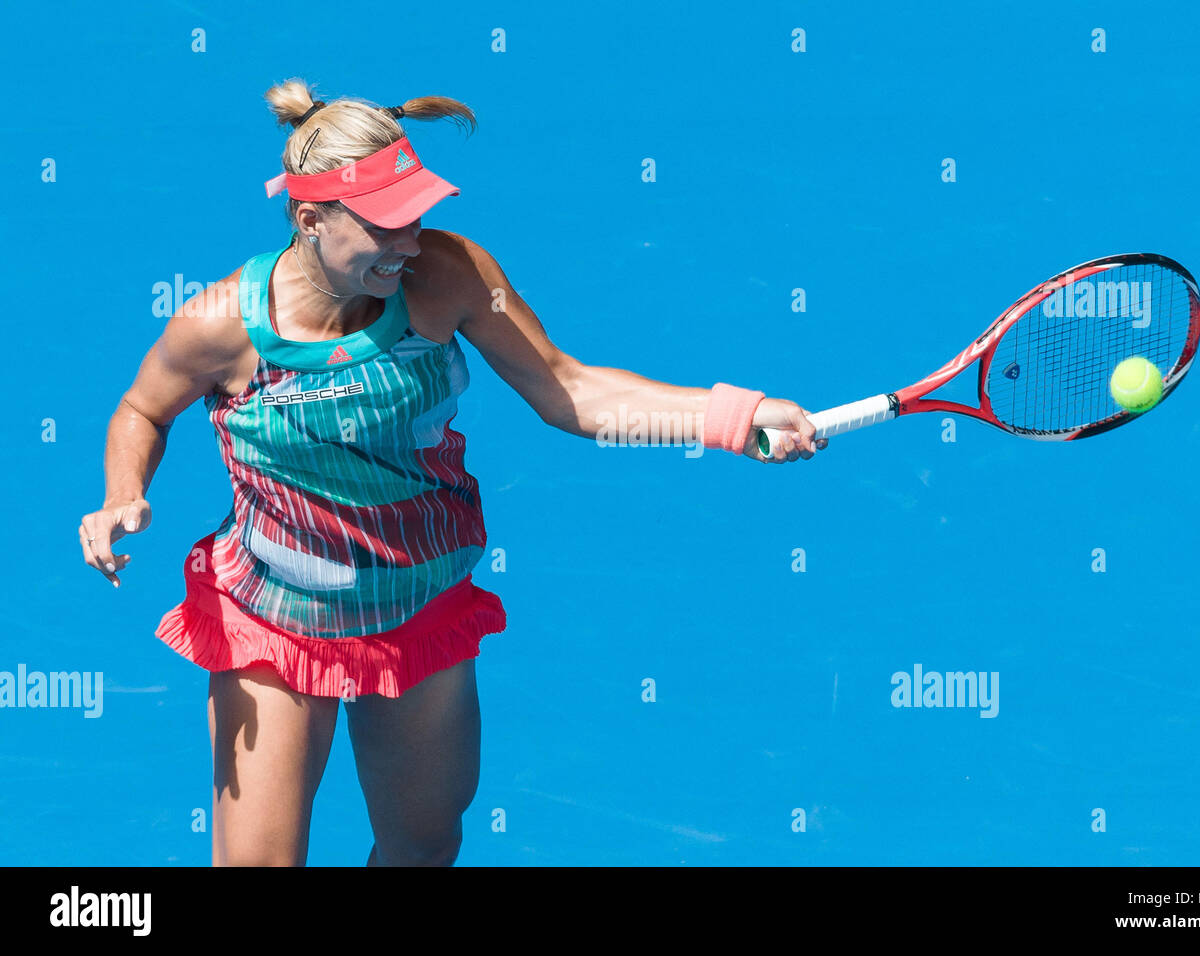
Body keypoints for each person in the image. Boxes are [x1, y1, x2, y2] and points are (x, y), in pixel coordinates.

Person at [77, 79, 827, 867]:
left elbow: (567, 390)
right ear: (310, 220)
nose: (409, 243)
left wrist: (730, 416)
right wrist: (122, 494)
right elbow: (143, 410)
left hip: (419, 606)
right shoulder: (219, 324)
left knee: (423, 846)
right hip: (275, 613)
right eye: (386, 226)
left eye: (417, 216)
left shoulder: (449, 275)